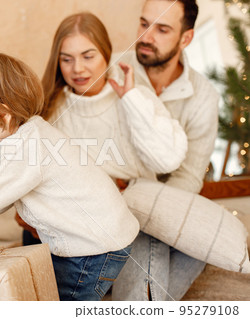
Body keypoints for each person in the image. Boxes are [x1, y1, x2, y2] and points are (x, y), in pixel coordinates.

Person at [0, 50, 140, 301]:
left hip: (90, 251)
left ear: (2, 114)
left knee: (63, 302)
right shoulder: (34, 132)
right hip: (103, 240)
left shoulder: (19, 150)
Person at [19, 12, 189, 252]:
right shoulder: (47, 111)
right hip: (77, 227)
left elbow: (167, 161)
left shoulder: (135, 95)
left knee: (163, 251)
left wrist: (131, 101)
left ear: (106, 54)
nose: (77, 69)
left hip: (135, 218)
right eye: (66, 59)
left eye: (88, 56)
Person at [111, 0, 220, 301]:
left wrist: (148, 207)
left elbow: (188, 177)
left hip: (163, 207)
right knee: (147, 239)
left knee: (201, 242)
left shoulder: (204, 98)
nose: (146, 37)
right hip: (112, 208)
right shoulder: (111, 72)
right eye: (144, 23)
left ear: (186, 38)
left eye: (162, 29)